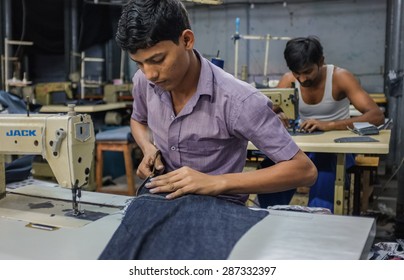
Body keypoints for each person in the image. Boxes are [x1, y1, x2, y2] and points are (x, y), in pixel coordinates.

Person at [115, 0, 317, 205]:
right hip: (163, 196)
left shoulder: (239, 101)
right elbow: (138, 120)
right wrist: (148, 148)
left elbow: (304, 170)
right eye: (139, 63)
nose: (150, 74)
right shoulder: (144, 82)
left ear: (187, 40)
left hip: (218, 205)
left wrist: (217, 182)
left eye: (158, 59)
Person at [257, 36, 385, 212]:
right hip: (304, 148)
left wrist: (329, 125)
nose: (302, 79)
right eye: (297, 73)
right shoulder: (289, 80)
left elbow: (376, 116)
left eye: (307, 71)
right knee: (271, 168)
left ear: (321, 61)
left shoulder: (340, 77)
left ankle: (318, 225)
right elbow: (266, 111)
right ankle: (270, 217)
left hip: (336, 151)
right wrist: (278, 114)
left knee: (323, 172)